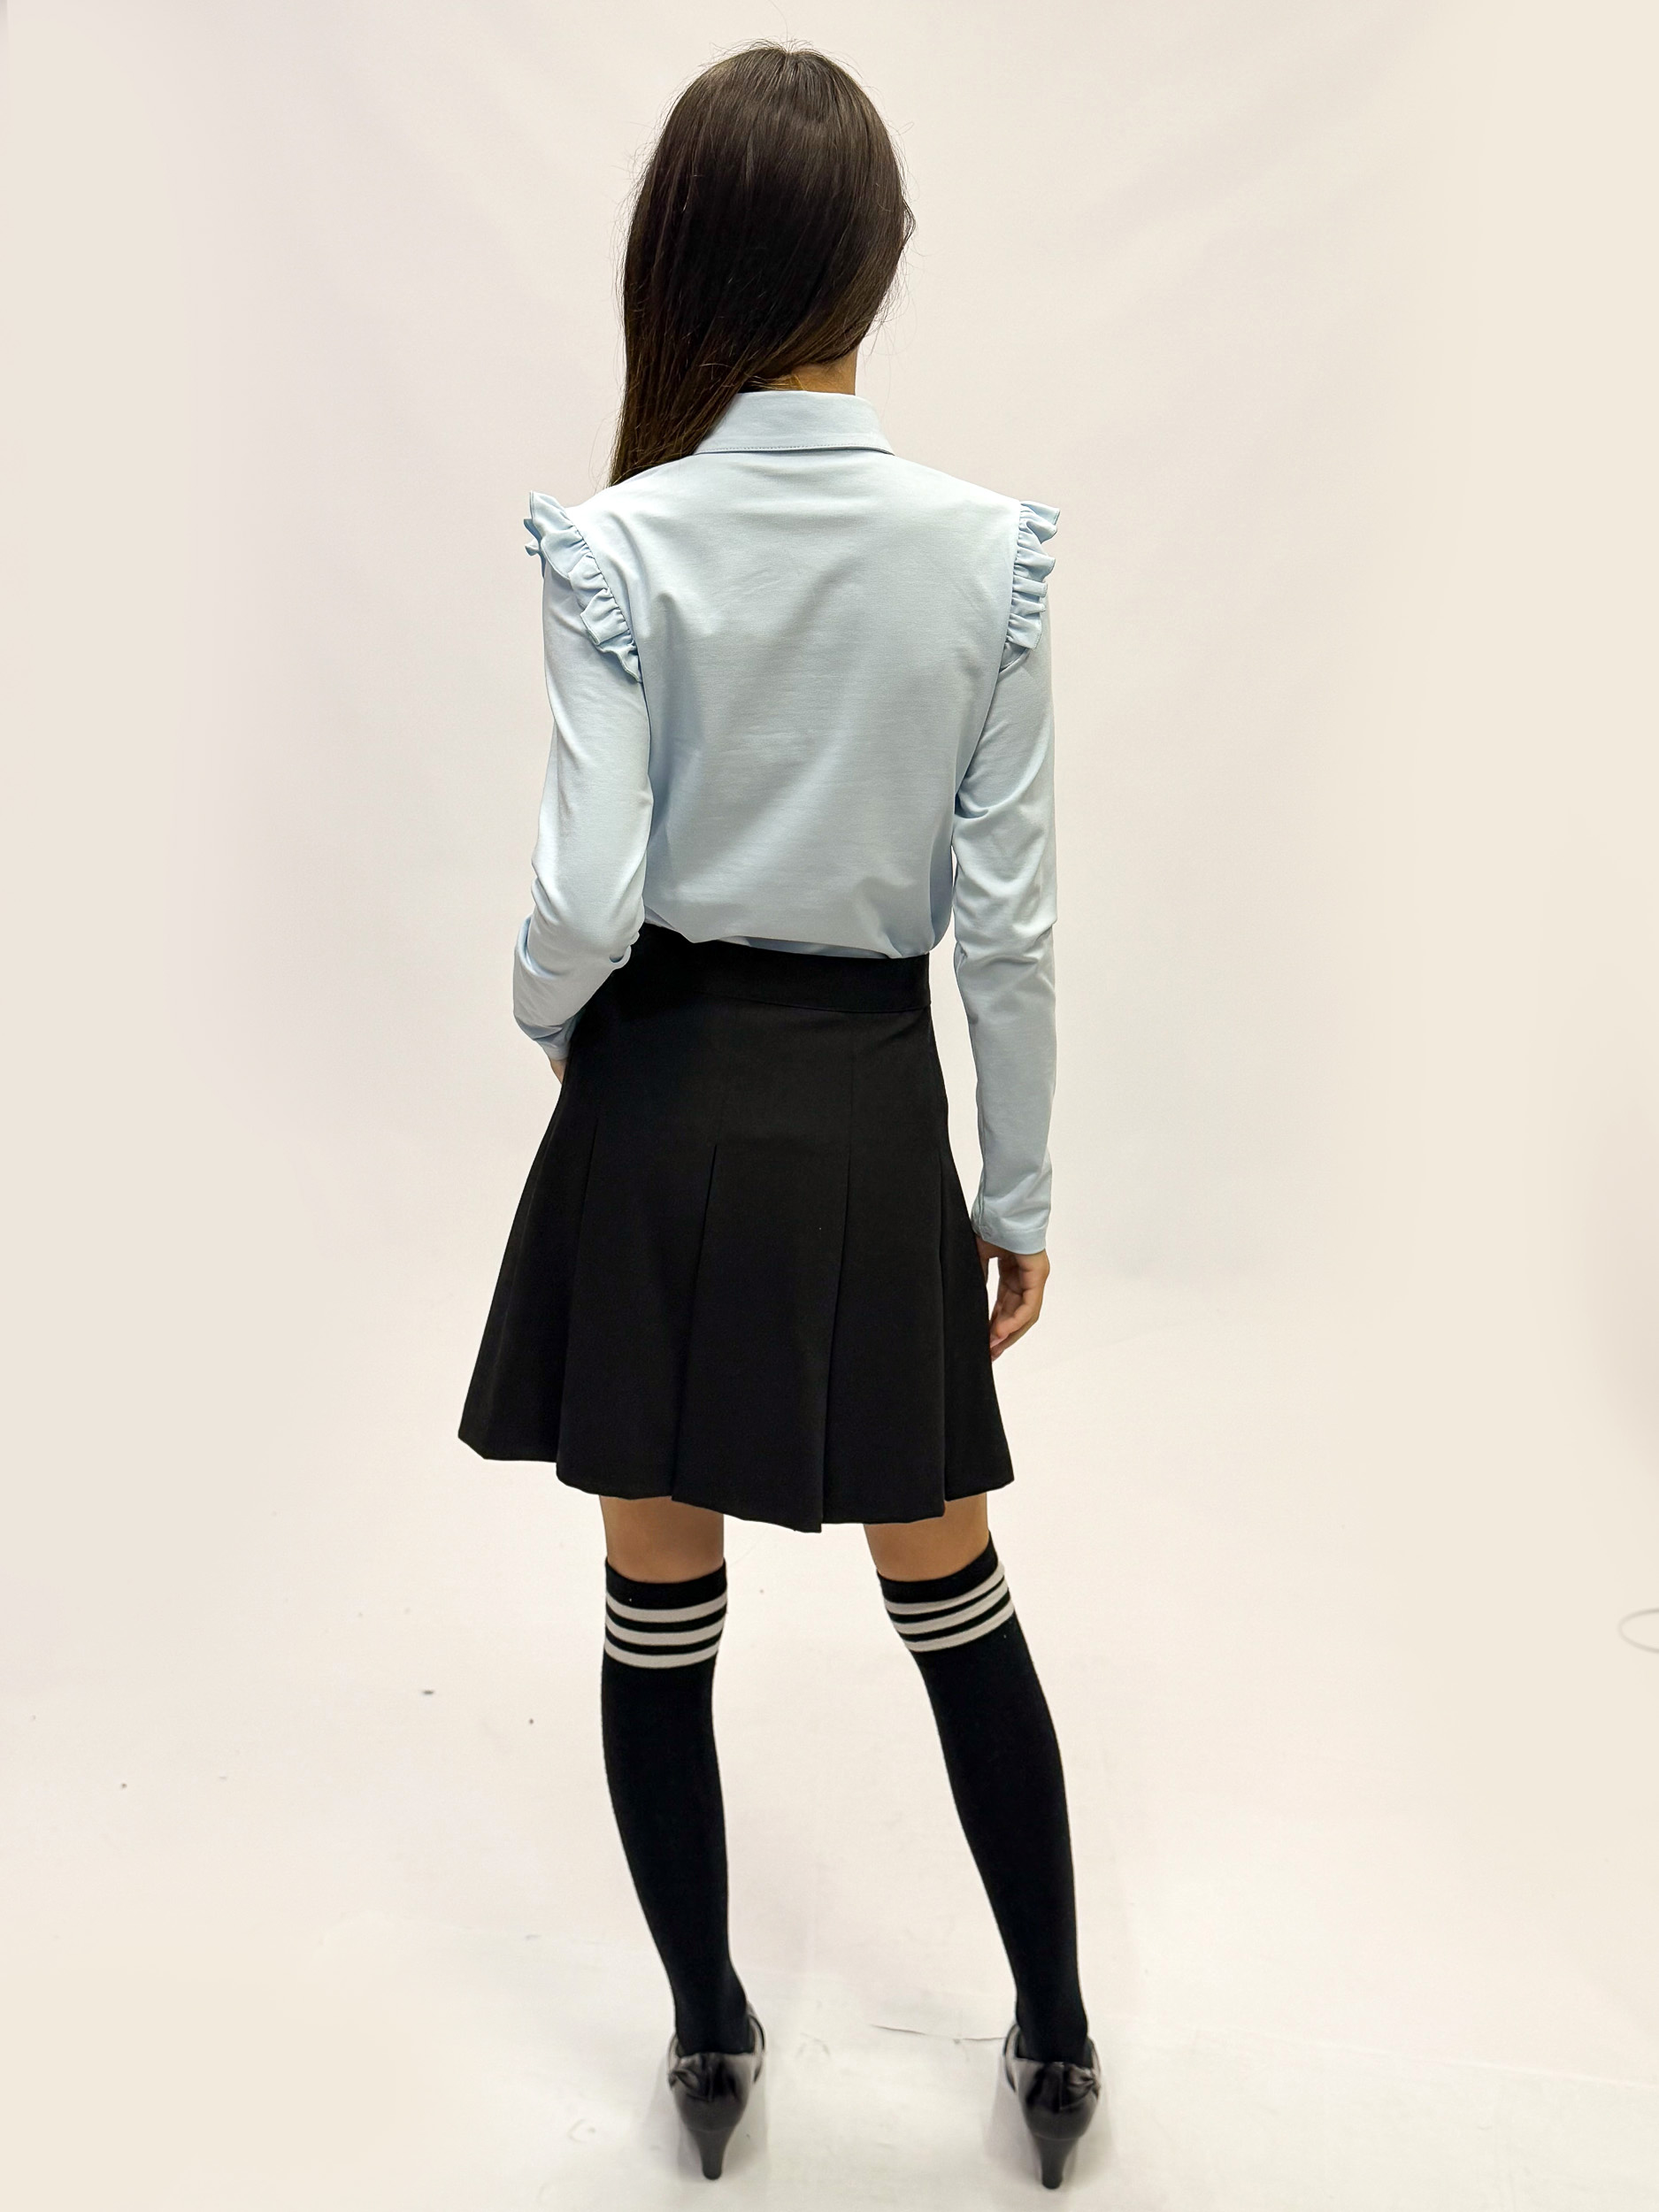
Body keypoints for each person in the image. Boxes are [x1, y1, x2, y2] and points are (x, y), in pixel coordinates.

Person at [459, 42, 1099, 2191]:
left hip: (655, 1097)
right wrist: (1014, 1188)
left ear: (685, 256)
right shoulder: (987, 554)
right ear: (877, 258)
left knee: (658, 1600)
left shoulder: (614, 543)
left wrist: (549, 1017)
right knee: (954, 1586)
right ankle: (1056, 2030)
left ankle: (706, 2028)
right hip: (866, 1098)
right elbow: (1005, 924)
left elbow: (583, 897)